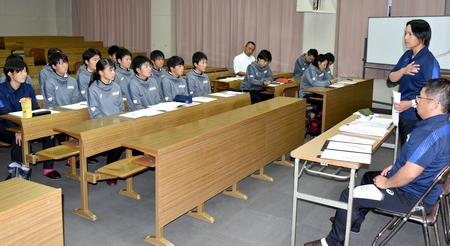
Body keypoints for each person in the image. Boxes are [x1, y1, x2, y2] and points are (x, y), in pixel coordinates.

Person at [304, 78, 450, 246]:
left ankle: (332, 242)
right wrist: (396, 166)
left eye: (420, 97)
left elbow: (410, 174)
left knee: (349, 194)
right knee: (368, 177)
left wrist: (387, 183)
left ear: (434, 104)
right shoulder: (442, 126)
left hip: (411, 196)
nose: (416, 101)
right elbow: (419, 161)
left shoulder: (429, 134)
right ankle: (353, 220)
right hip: (420, 188)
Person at [0, 59, 60, 179]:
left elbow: (36, 109)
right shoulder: (1, 90)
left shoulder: (27, 88)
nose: (24, 74)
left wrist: (43, 127)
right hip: (5, 125)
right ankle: (17, 173)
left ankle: (48, 168)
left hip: (25, 124)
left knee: (49, 134)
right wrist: (18, 130)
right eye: (20, 71)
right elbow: (4, 113)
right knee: (19, 139)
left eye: (25, 71)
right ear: (9, 73)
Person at [388, 19, 440, 145]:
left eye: (410, 34)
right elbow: (391, 78)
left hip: (416, 115)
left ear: (422, 36)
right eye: (405, 33)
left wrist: (411, 103)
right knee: (404, 149)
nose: (406, 37)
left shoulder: (429, 61)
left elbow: (435, 93)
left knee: (413, 153)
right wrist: (403, 71)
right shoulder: (407, 55)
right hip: (401, 112)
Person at [87, 58, 124, 185]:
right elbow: (95, 114)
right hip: (101, 125)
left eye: (114, 70)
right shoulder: (93, 89)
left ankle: (110, 165)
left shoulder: (116, 87)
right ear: (101, 72)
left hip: (116, 124)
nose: (114, 73)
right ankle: (109, 170)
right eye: (110, 70)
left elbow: (121, 108)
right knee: (118, 141)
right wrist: (110, 125)